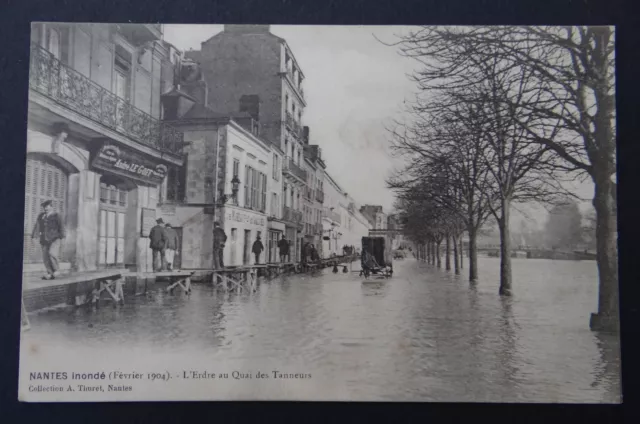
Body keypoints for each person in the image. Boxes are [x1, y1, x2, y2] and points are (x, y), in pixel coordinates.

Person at [31, 200, 65, 280]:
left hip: (54, 239)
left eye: (47, 206)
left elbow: (62, 227)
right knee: (45, 257)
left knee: (52, 253)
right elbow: (37, 226)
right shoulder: (41, 216)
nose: (45, 208)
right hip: (44, 239)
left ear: (51, 206)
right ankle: (50, 273)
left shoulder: (57, 215)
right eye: (44, 207)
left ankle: (56, 270)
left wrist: (62, 237)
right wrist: (34, 236)